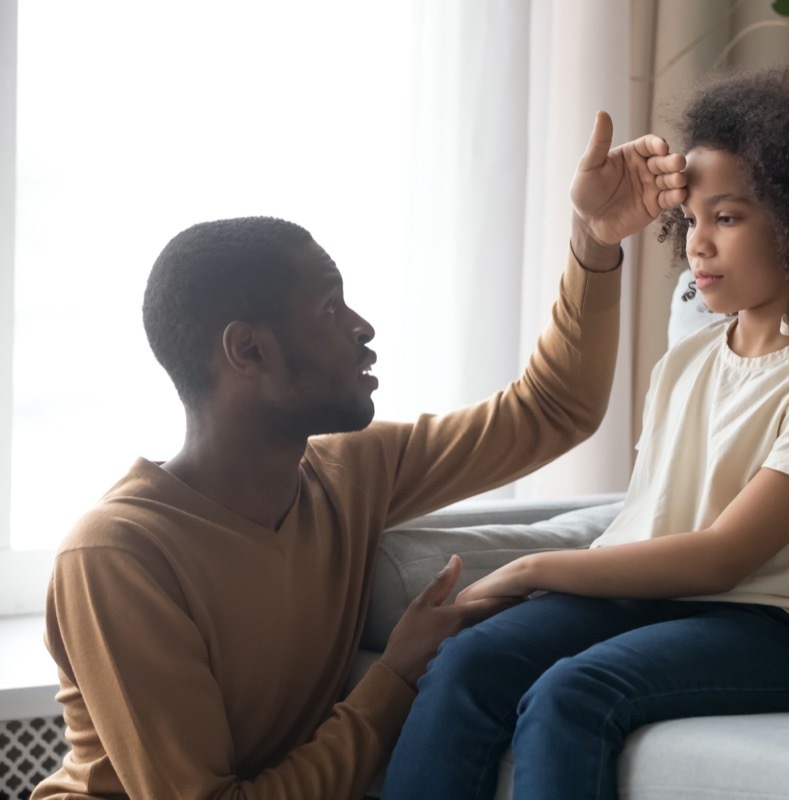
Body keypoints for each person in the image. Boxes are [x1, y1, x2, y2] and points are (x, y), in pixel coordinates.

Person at [30, 111, 687, 800]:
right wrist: (395, 679)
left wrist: (594, 241)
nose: (362, 328)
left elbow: (551, 410)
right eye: (329, 307)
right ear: (247, 350)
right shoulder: (118, 558)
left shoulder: (350, 472)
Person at [381, 64, 789, 800]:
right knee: (467, 661)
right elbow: (650, 529)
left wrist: (530, 569)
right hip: (658, 601)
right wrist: (595, 229)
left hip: (779, 632)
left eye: (729, 217)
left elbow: (719, 560)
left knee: (572, 694)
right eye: (693, 218)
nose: (697, 245)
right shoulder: (689, 360)